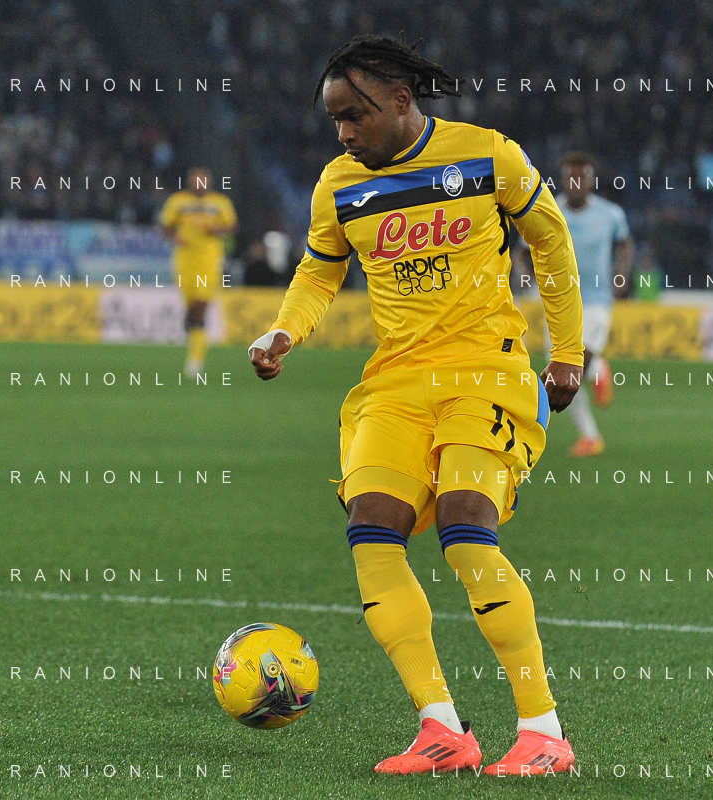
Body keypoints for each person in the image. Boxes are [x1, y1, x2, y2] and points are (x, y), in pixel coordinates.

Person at [248, 35, 585, 777]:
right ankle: (441, 728)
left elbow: (551, 241)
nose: (343, 132)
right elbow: (318, 270)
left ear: (402, 101)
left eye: (355, 115)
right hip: (395, 383)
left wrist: (567, 352)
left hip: (485, 373)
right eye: (335, 119)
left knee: (466, 531)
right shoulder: (339, 185)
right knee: (371, 532)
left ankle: (543, 732)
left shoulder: (487, 155)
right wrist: (284, 330)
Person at [518, 152, 633, 457]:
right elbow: (522, 250)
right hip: (556, 303)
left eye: (582, 177)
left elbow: (625, 243)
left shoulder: (610, 214)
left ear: (592, 181)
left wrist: (621, 273)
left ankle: (597, 368)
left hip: (596, 301)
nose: (576, 182)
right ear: (563, 179)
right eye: (571, 177)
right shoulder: (547, 209)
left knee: (580, 358)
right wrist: (526, 276)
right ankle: (590, 436)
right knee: (561, 372)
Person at [158, 167, 237, 376]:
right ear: (189, 182)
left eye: (202, 180)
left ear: (209, 182)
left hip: (209, 261)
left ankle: (195, 359)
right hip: (184, 261)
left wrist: (215, 230)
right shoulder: (177, 201)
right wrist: (174, 237)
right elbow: (165, 226)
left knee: (201, 306)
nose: (199, 184)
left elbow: (231, 226)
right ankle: (192, 324)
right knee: (192, 308)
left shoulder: (219, 202)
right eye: (195, 180)